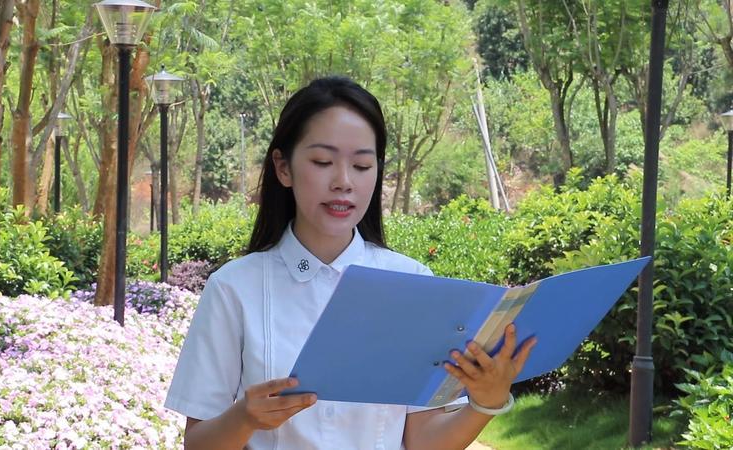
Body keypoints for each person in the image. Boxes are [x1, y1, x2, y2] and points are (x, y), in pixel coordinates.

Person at [164, 76, 536, 450]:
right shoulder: (234, 288)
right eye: (323, 162)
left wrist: (486, 402)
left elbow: (423, 440)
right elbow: (197, 443)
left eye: (361, 165)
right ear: (283, 167)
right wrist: (244, 417)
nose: (343, 182)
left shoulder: (414, 283)